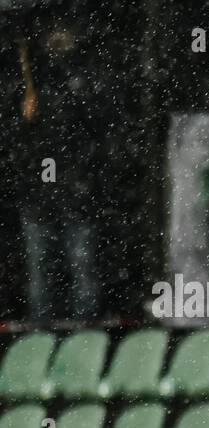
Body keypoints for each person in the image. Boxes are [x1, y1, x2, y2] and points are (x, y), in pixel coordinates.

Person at [16, 20, 105, 325]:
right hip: (39, 196)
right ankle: (39, 339)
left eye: (64, 34)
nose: (58, 40)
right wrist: (23, 118)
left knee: (81, 266)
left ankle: (84, 338)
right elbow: (21, 147)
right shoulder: (27, 81)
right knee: (41, 273)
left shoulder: (86, 78)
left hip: (74, 193)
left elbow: (95, 130)